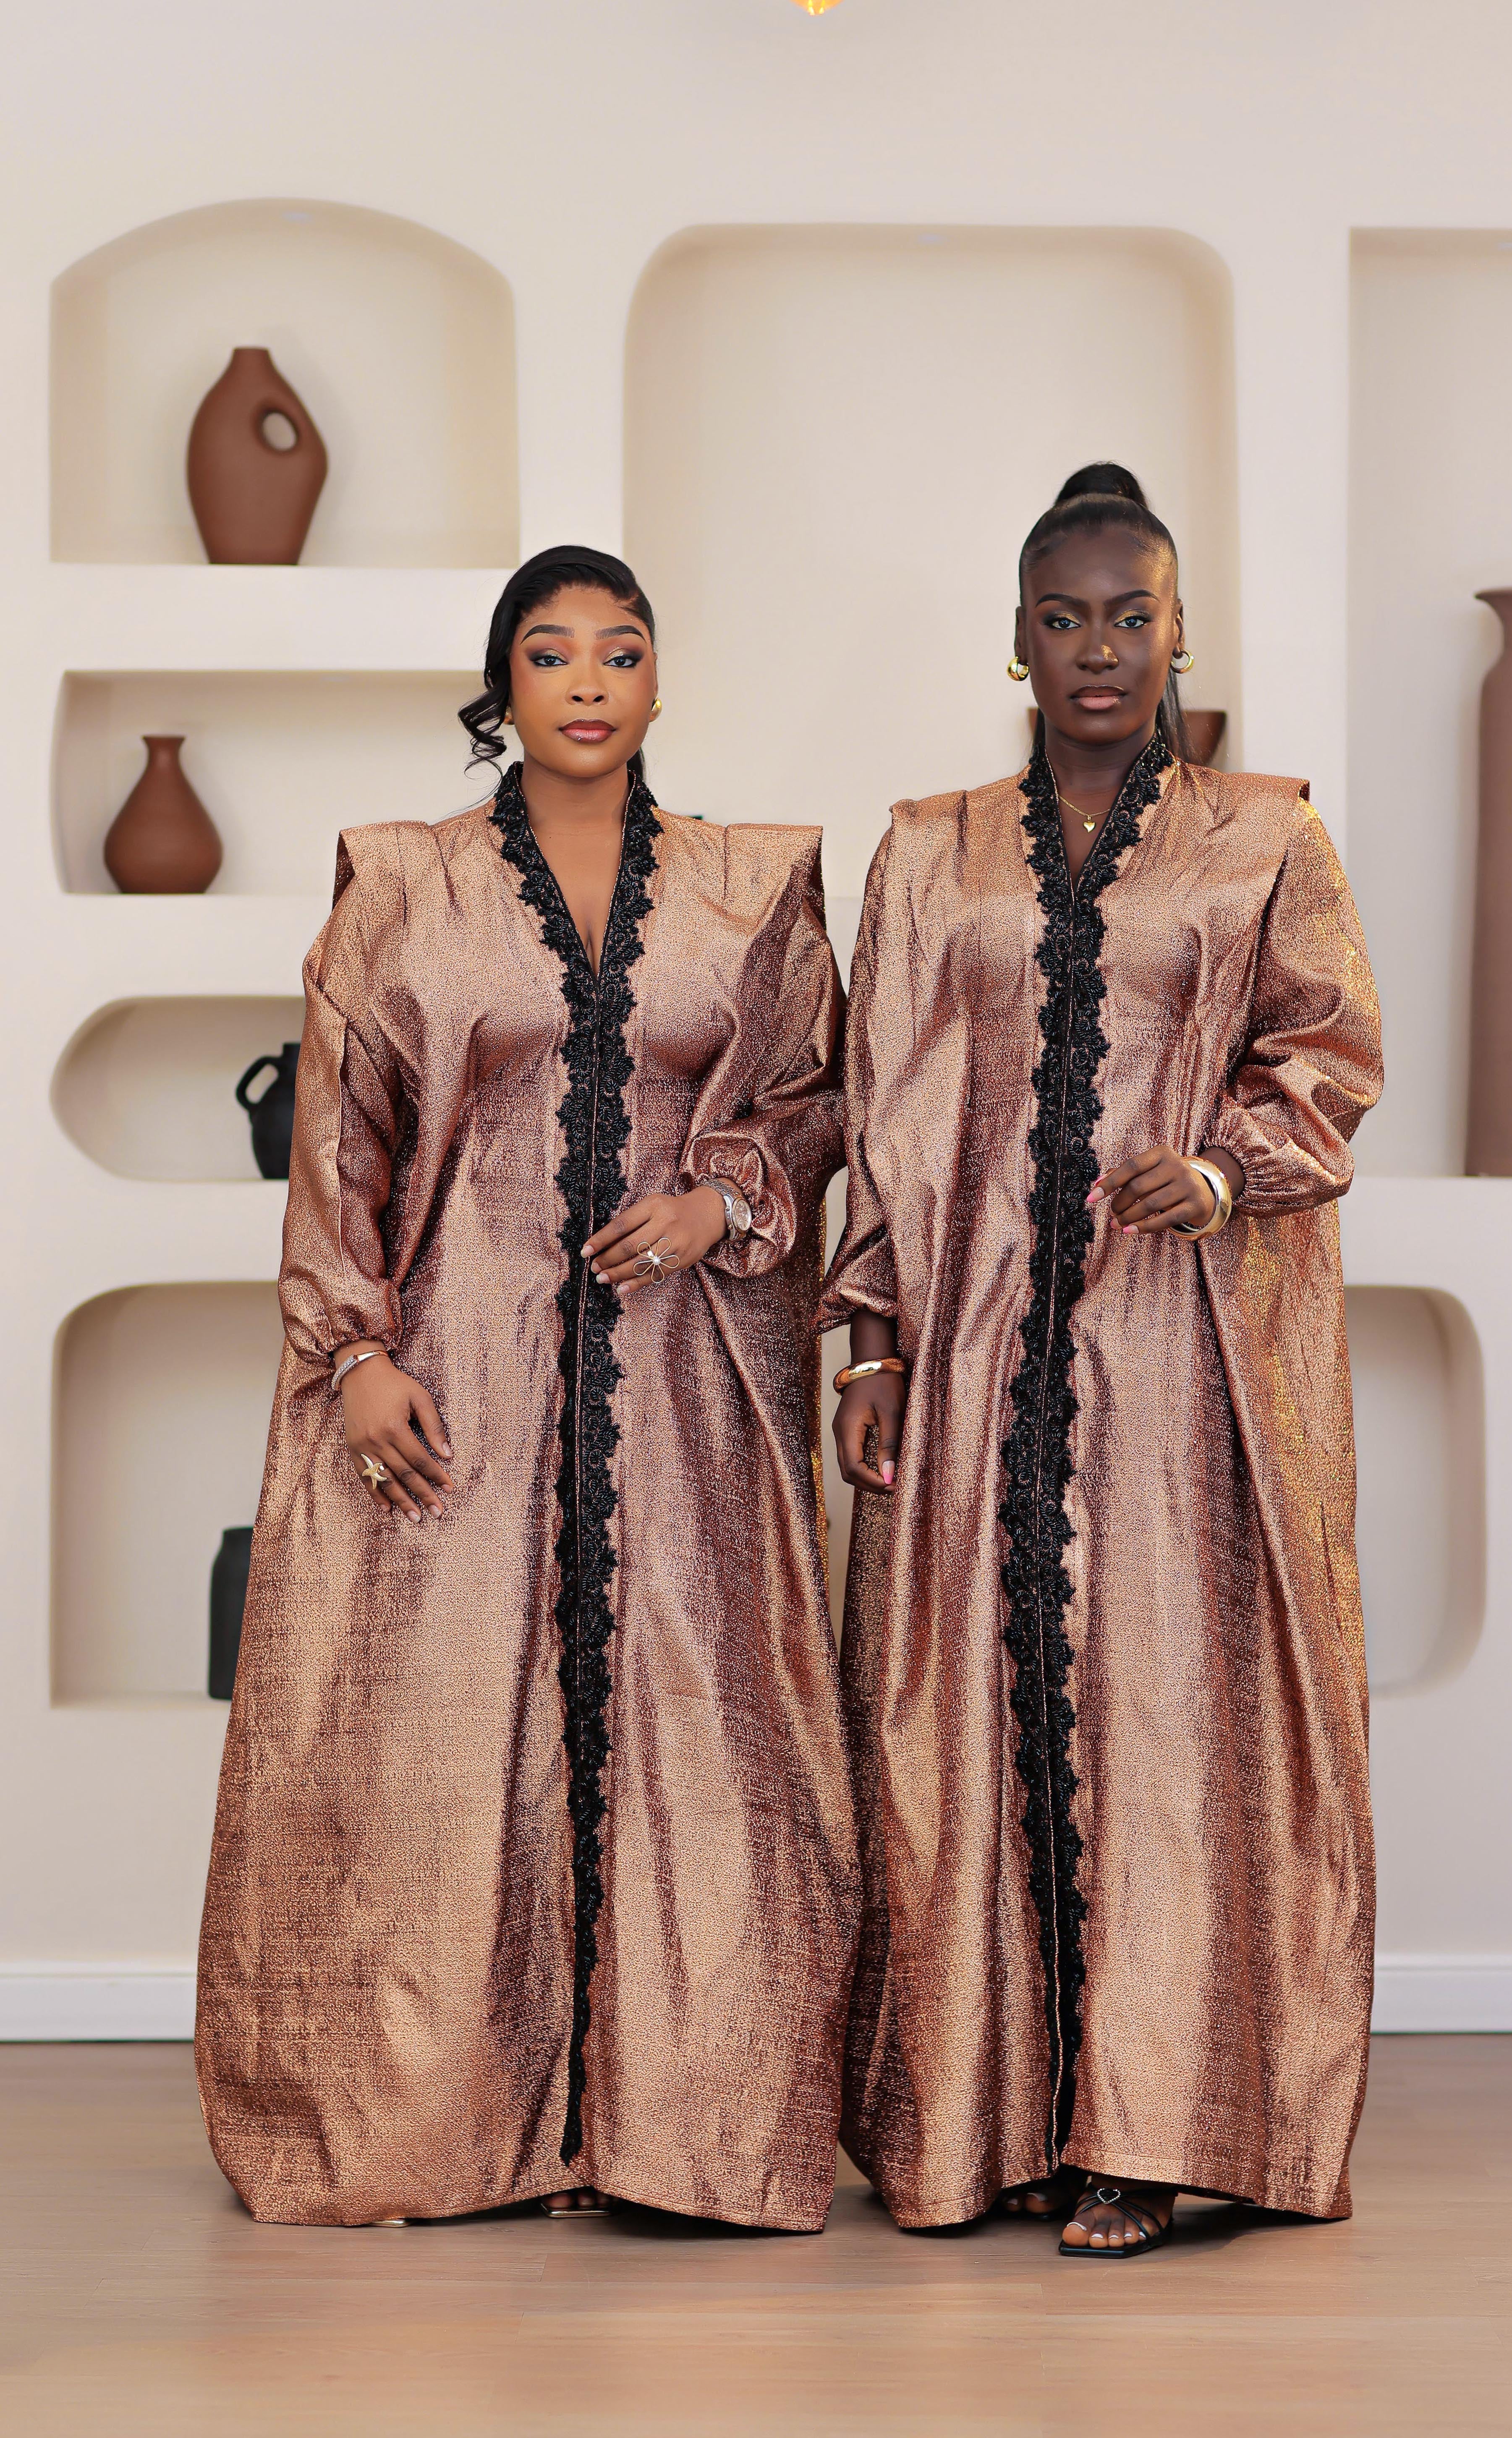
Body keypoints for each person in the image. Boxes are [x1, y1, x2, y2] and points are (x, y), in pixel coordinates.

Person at [197, 545, 858, 2233]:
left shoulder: (746, 885)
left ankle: (678, 2129)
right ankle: (456, 2120)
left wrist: (726, 1199)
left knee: (697, 1729)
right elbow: (341, 1134)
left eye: (617, 650)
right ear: (503, 687)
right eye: (549, 652)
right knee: (440, 1740)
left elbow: (809, 1092)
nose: (584, 679)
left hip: (684, 1384)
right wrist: (348, 1353)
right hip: (458, 1375)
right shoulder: (403, 885)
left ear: (655, 682)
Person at [820, 466, 1382, 2256]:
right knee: (972, 1710)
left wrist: (1222, 1168)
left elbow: (1328, 1052)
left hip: (1188, 1354)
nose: (1095, 651)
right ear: (1012, 640)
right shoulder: (930, 851)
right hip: (983, 1345)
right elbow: (882, 1104)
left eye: (1128, 615)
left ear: (1178, 632)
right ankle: (984, 2119)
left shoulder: (1263, 835)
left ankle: (1147, 2127)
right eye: (1060, 619)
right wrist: (877, 1343)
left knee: (1164, 1718)